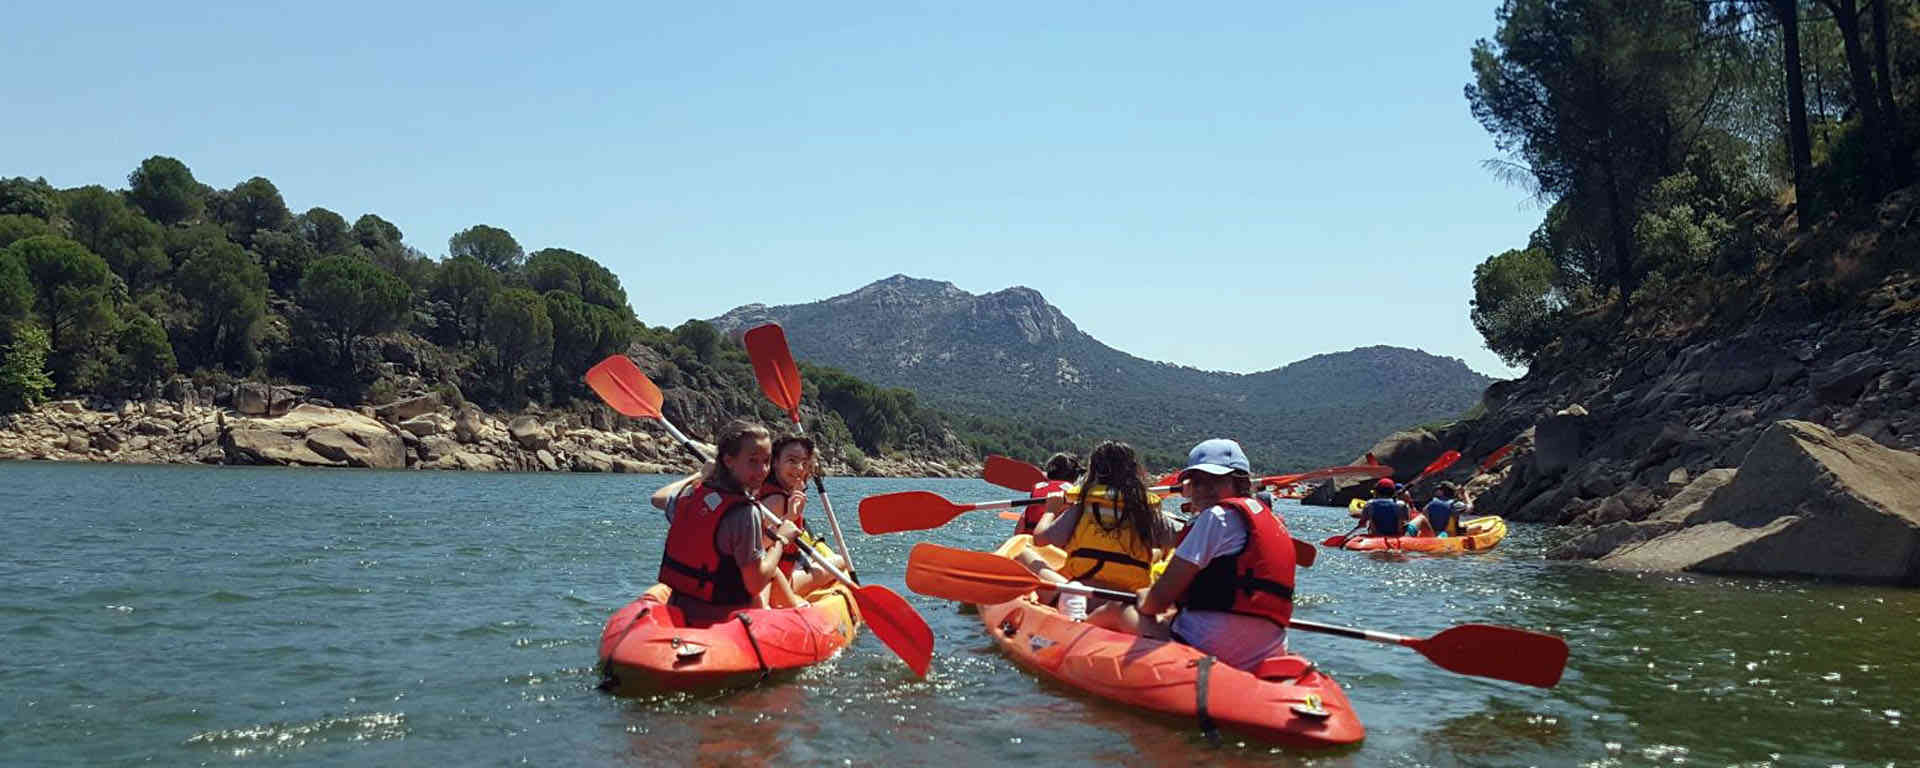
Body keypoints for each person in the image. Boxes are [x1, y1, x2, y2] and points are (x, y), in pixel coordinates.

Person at [1088, 438, 1296, 672]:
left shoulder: (1216, 517)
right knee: (1172, 615)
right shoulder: (1276, 525)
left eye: (1215, 481)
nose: (1203, 490)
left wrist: (1144, 596)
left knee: (1116, 609)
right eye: (1196, 482)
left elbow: (1156, 602)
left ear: (1240, 482)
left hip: (1208, 650)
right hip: (1266, 653)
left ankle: (1071, 635)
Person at [647, 420, 804, 626]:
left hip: (679, 607)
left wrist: (700, 475)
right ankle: (799, 609)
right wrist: (781, 539)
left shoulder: (693, 494)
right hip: (722, 619)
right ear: (729, 460)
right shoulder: (745, 513)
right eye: (753, 461)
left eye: (766, 461)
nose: (762, 470)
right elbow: (756, 583)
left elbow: (658, 498)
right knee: (770, 571)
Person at [1022, 441, 1174, 618]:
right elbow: (1181, 542)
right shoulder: (1148, 511)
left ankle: (1070, 597)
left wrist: (1051, 510)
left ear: (1093, 472)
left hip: (1085, 594)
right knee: (1159, 555)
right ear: (1135, 472)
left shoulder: (1082, 506)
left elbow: (1039, 539)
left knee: (1022, 553)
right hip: (1126, 601)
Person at [756, 434, 848, 595]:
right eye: (791, 460)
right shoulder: (777, 500)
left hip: (774, 574)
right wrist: (789, 518)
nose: (799, 468)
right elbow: (756, 545)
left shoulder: (771, 490)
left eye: (804, 463)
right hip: (777, 584)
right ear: (775, 462)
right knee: (841, 561)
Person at [1015, 452, 1082, 535]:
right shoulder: (1072, 491)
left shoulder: (1038, 487)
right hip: (1050, 539)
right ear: (1075, 475)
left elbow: (1018, 529)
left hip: (1027, 538)